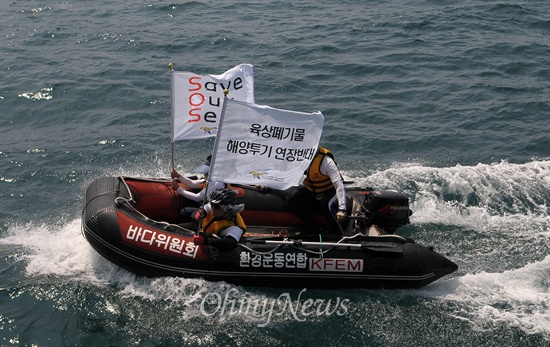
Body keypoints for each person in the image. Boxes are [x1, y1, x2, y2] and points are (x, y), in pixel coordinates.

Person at [286, 146, 348, 234]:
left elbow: (339, 184)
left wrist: (342, 209)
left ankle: (339, 233)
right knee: (292, 199)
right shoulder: (299, 158)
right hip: (312, 190)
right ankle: (313, 225)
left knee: (324, 205)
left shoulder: (326, 161)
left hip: (330, 190)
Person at [171, 155, 225, 219]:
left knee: (184, 212)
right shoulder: (210, 180)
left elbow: (197, 197)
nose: (205, 174)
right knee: (185, 197)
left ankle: (194, 226)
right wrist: (178, 176)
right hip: (206, 204)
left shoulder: (216, 184)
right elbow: (192, 183)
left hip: (211, 209)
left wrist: (178, 189)